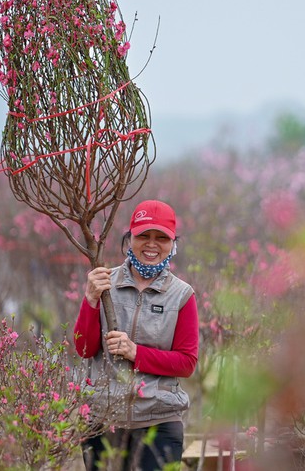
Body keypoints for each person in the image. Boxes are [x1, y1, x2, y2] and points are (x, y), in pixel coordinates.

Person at [74, 200, 198, 471]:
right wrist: (90, 299)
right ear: (129, 239)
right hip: (103, 421)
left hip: (159, 422)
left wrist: (135, 352)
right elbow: (84, 349)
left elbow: (187, 363)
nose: (151, 244)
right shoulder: (105, 283)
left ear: (173, 244)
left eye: (161, 237)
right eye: (143, 236)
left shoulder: (182, 295)